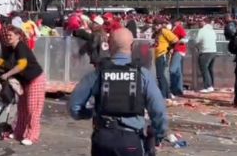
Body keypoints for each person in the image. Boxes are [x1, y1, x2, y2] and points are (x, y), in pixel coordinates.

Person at [68, 28, 169, 156]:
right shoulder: (142, 74)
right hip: (131, 140)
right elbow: (159, 110)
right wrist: (158, 135)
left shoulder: (97, 74)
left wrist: (89, 113)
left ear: (109, 46)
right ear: (132, 46)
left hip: (103, 139)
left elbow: (74, 106)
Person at [0, 26, 46, 145]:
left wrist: (7, 74)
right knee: (22, 109)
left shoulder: (21, 47)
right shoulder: (9, 49)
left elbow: (22, 65)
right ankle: (18, 133)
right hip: (24, 81)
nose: (8, 37)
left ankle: (31, 136)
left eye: (10, 35)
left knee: (32, 109)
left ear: (18, 36)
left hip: (35, 79)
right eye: (7, 35)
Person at [153, 20, 178, 99]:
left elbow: (175, 40)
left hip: (163, 54)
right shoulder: (157, 33)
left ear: (160, 25)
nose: (155, 27)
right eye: (155, 25)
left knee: (160, 75)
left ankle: (163, 93)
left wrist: (170, 48)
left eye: (157, 25)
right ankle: (167, 93)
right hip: (158, 55)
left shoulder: (164, 31)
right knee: (160, 75)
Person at [195, 18, 217, 93]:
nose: (199, 23)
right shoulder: (212, 30)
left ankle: (208, 86)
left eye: (200, 21)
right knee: (210, 69)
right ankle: (211, 85)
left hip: (205, 51)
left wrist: (197, 47)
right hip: (213, 51)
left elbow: (196, 41)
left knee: (204, 69)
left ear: (204, 22)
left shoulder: (201, 31)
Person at [170, 20, 188, 97]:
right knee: (178, 72)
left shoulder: (179, 28)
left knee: (172, 70)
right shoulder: (174, 28)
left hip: (178, 50)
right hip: (177, 50)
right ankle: (178, 89)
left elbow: (185, 38)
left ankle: (174, 88)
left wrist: (177, 42)